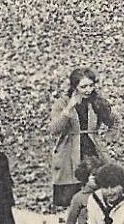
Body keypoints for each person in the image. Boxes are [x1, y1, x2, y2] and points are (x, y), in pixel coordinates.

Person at [49, 67, 118, 209]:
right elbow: (54, 129)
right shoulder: (62, 103)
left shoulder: (98, 103)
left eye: (91, 86)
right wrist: (68, 109)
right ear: (74, 87)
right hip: (69, 150)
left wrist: (109, 140)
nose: (88, 90)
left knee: (98, 188)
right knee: (71, 193)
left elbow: (113, 122)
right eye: (83, 87)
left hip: (93, 149)